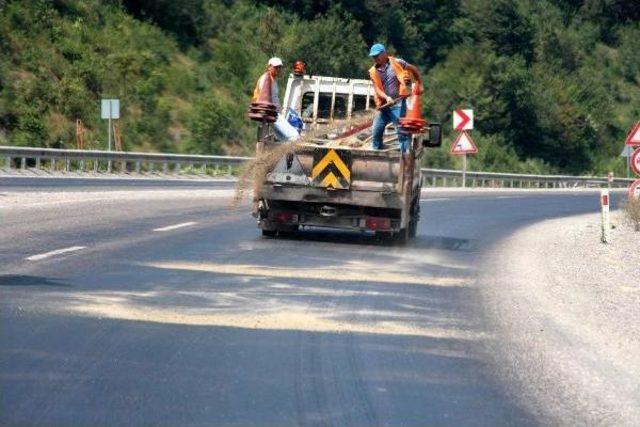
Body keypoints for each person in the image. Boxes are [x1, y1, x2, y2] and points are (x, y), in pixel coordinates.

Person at [368, 43, 423, 152]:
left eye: (377, 55)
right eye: (373, 56)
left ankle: (405, 156)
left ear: (384, 53)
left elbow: (414, 69)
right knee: (376, 131)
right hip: (384, 105)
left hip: (398, 104)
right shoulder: (372, 72)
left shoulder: (397, 62)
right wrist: (386, 97)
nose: (375, 58)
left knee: (401, 132)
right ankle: (375, 153)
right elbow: (377, 90)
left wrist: (419, 83)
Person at [252, 57, 300, 141]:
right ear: (269, 66)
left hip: (273, 113)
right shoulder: (265, 79)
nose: (278, 69)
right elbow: (263, 97)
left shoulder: (272, 79)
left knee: (284, 140)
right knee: (294, 136)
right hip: (271, 113)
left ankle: (285, 153)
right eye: (276, 67)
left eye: (279, 67)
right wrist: (267, 112)